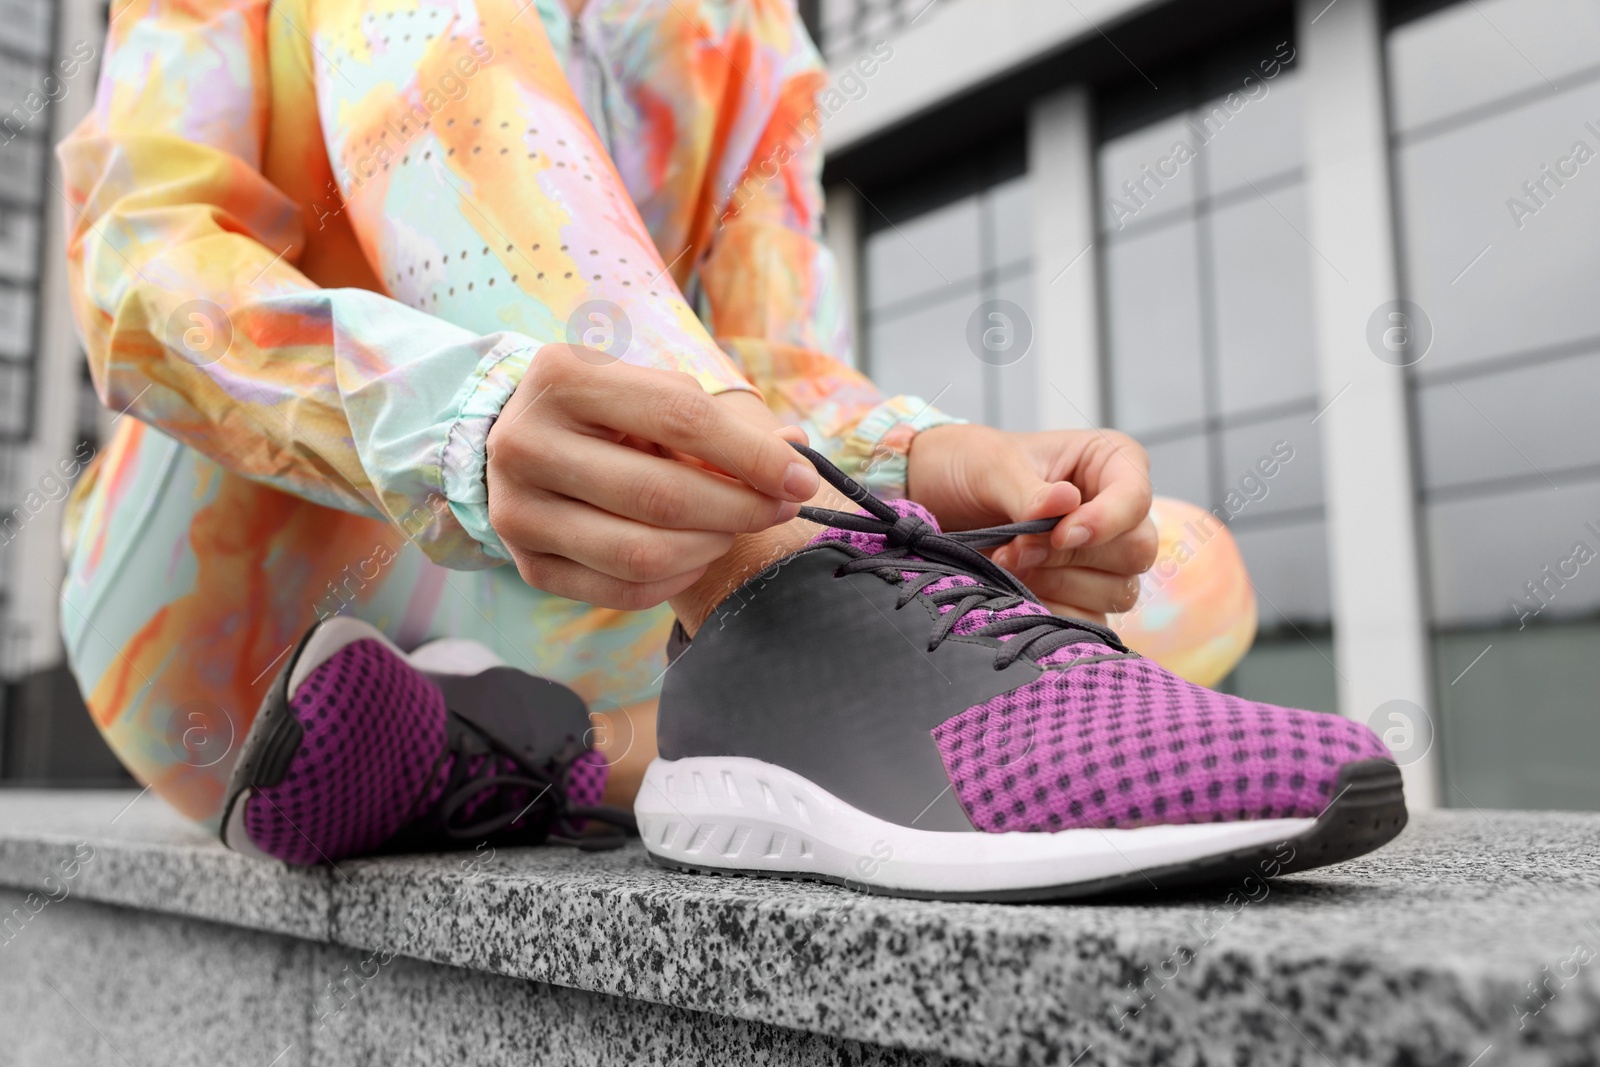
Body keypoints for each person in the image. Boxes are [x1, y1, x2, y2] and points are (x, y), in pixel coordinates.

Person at [58, 0, 1402, 897]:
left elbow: (770, 367)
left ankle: (559, 754)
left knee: (1175, 568)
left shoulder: (753, 34)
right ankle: (785, 620)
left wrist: (930, 459)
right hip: (234, 603)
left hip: (581, 587)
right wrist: (449, 416)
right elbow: (136, 277)